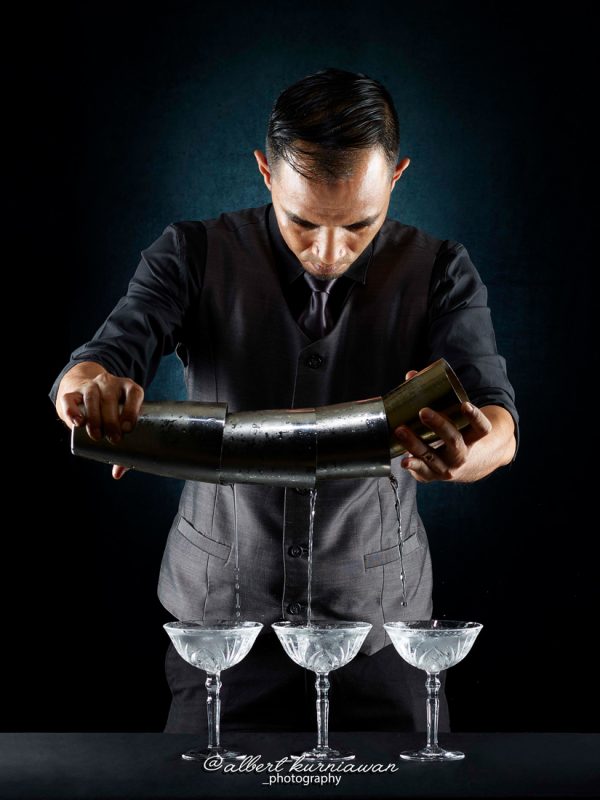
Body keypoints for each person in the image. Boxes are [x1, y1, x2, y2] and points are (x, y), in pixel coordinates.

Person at [50, 68, 518, 734]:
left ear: (396, 177)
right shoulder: (190, 252)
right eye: (302, 222)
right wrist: (89, 390)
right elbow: (99, 360)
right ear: (266, 173)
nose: (328, 251)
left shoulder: (442, 269)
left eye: (359, 225)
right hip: (220, 632)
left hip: (383, 637)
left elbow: (499, 421)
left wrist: (468, 452)